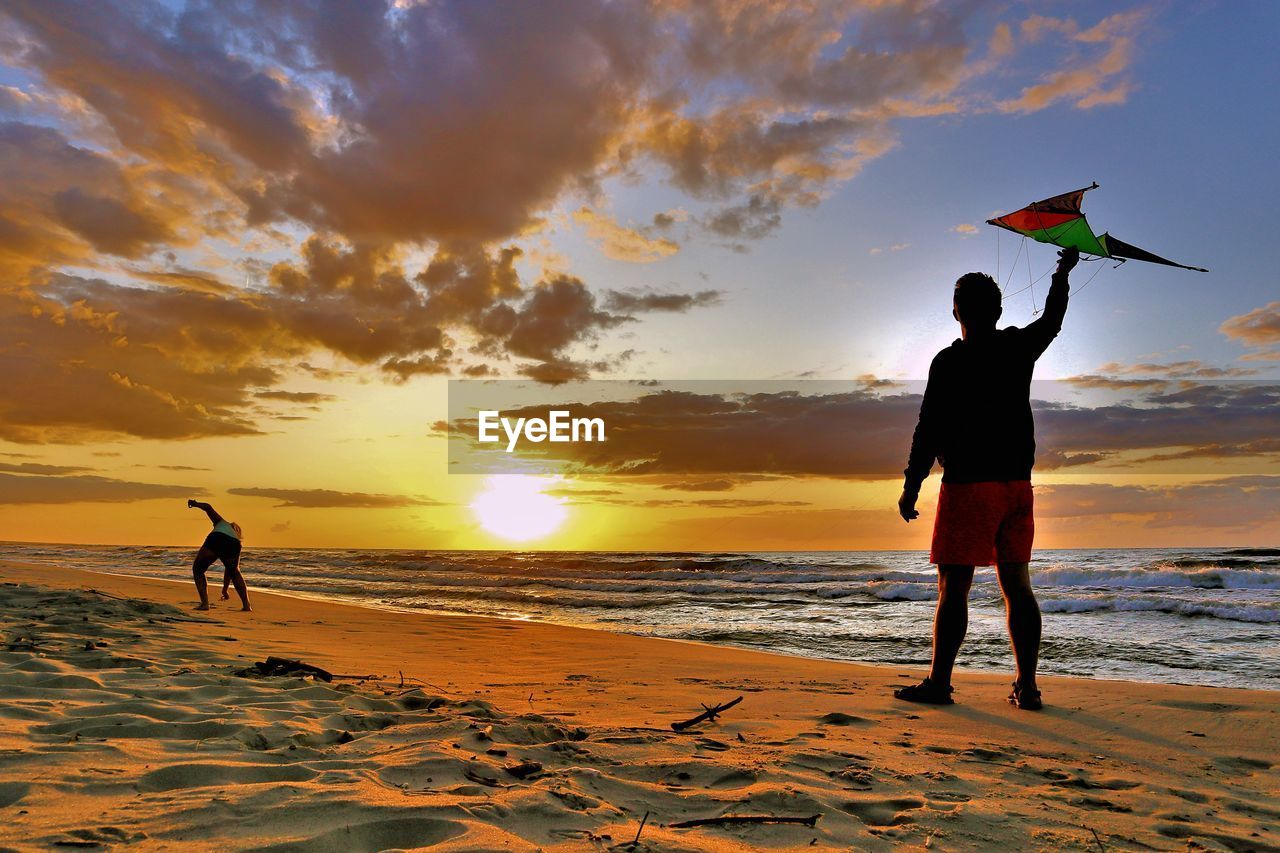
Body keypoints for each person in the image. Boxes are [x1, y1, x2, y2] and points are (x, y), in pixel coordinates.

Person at [895, 246, 1079, 711]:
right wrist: (1061, 272)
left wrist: (912, 483)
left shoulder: (948, 362)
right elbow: (1053, 320)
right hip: (1017, 486)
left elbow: (928, 427)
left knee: (953, 586)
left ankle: (939, 683)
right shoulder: (1018, 347)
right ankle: (1028, 685)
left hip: (968, 486)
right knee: (1017, 584)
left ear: (955, 310)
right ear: (998, 310)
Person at [188, 499, 251, 612]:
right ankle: (246, 605)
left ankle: (205, 604)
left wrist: (195, 504)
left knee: (198, 569)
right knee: (235, 572)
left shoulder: (221, 523)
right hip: (233, 545)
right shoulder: (236, 539)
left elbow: (208, 507)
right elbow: (229, 571)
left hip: (217, 538)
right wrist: (224, 589)